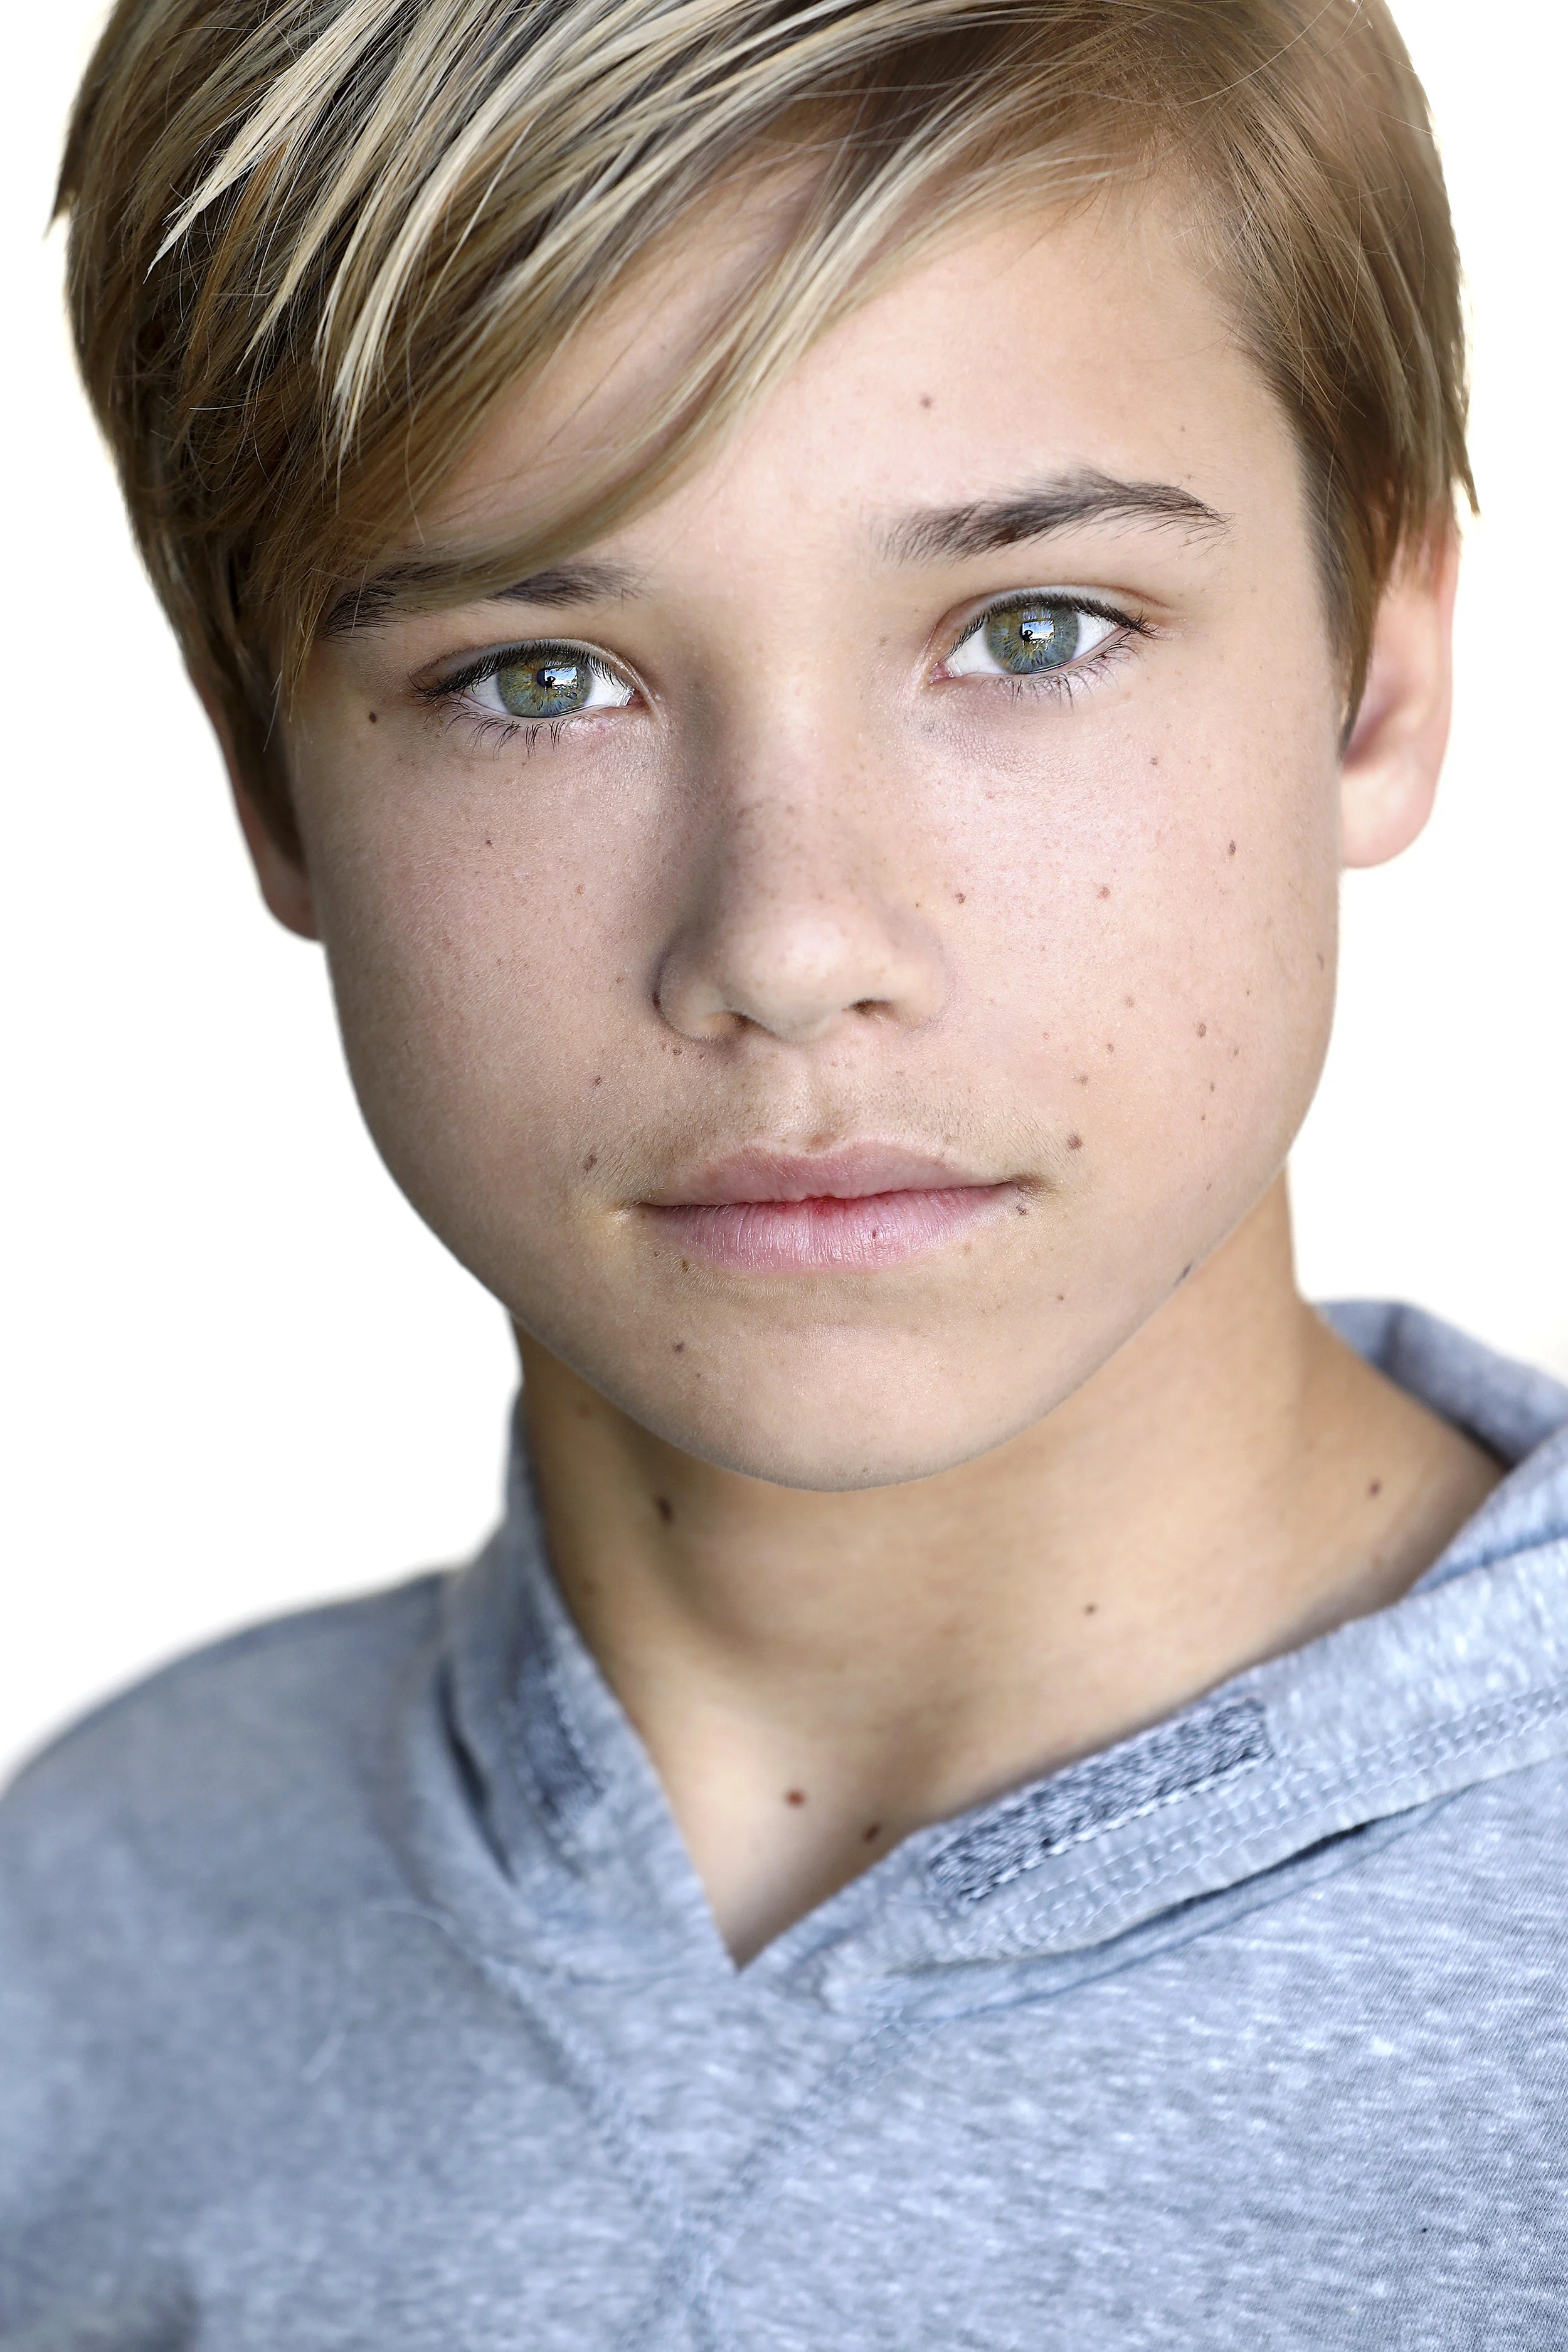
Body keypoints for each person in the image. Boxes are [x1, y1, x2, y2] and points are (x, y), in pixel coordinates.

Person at [4, 0, 1565, 2340]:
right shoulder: (92, 1924)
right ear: (268, 777)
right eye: (539, 674)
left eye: (1033, 631)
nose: (790, 939)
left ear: (1379, 675)